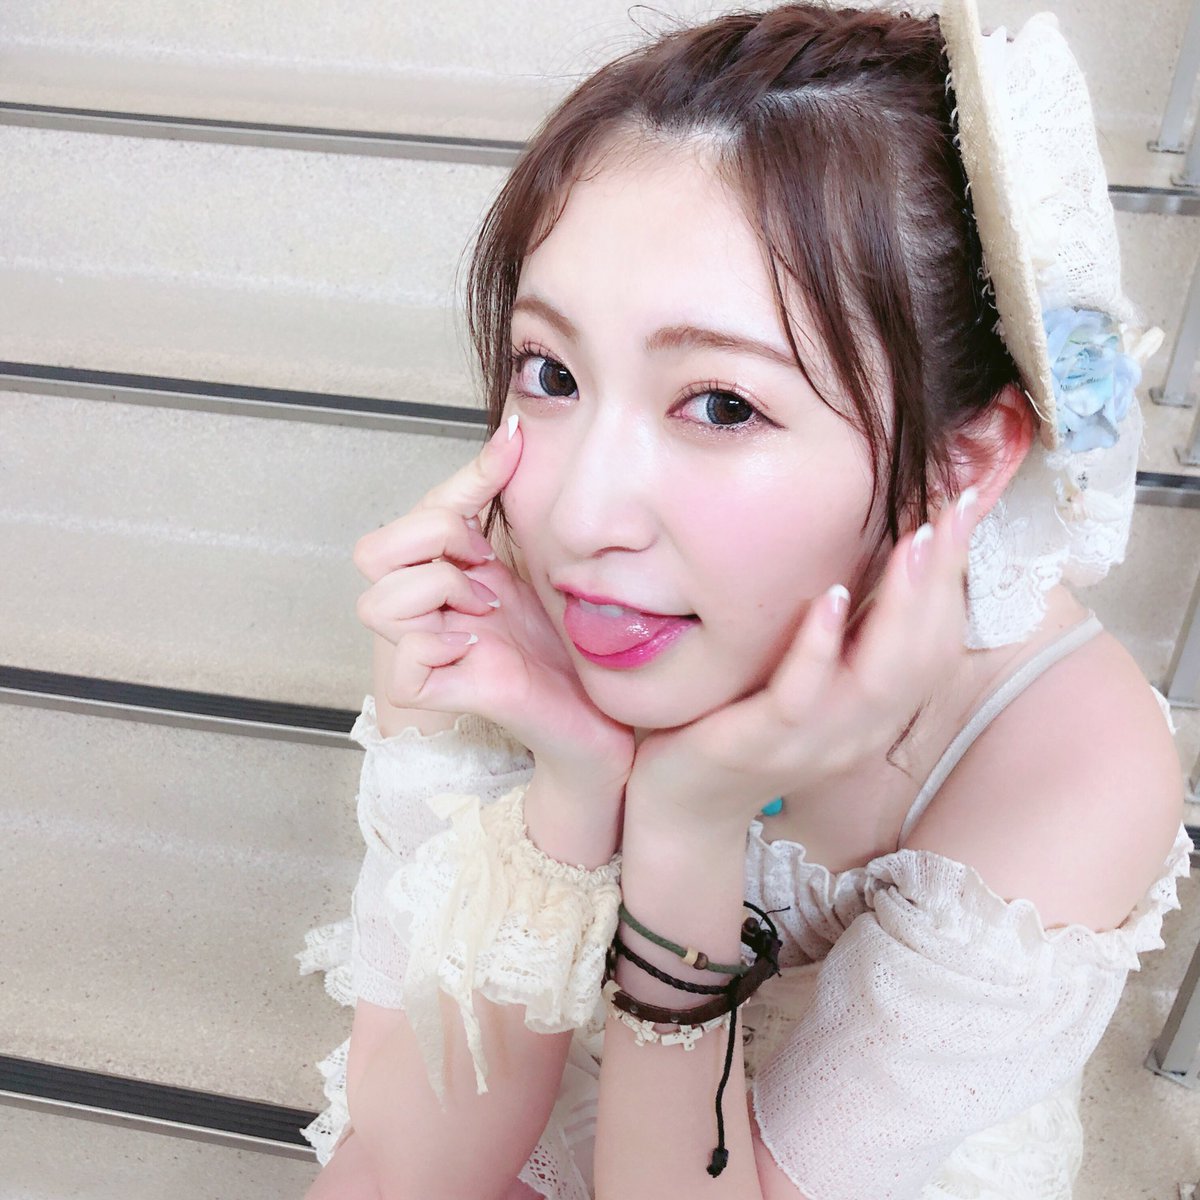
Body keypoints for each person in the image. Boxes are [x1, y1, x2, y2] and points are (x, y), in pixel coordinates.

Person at [295, 3, 1193, 1197]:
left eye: (721, 404)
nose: (579, 515)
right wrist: (572, 790)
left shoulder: (1065, 758)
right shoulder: (494, 598)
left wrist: (687, 828)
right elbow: (411, 1173)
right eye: (551, 372)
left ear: (964, 460)